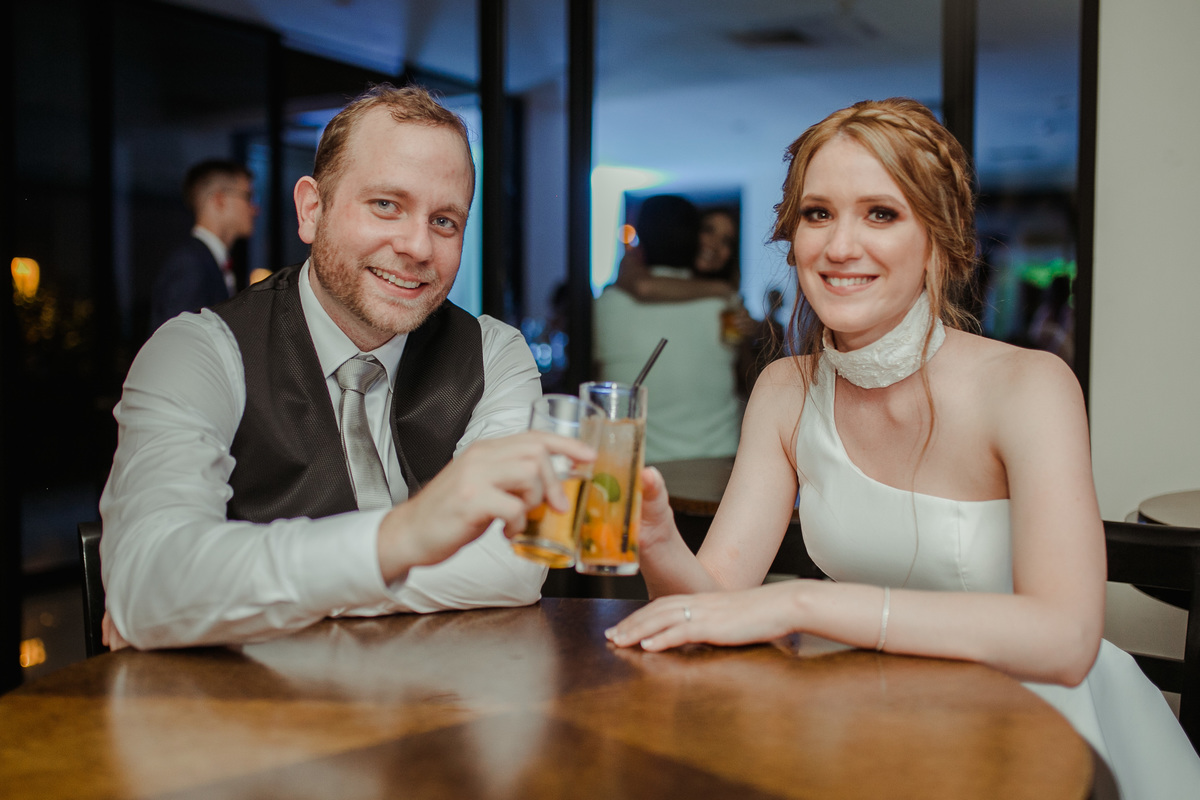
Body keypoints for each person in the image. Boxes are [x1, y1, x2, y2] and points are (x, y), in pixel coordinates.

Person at [607, 98, 1200, 798]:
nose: (839, 246)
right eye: (818, 213)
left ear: (939, 243)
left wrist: (802, 606)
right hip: (863, 720)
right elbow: (710, 609)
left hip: (1032, 731)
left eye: (881, 214)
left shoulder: (1031, 387)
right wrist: (656, 538)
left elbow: (1066, 641)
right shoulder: (784, 389)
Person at [100, 84, 591, 650]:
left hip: (444, 693)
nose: (418, 247)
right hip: (254, 699)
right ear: (312, 210)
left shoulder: (495, 353)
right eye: (386, 204)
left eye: (444, 221)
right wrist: (401, 539)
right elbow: (150, 582)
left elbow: (512, 567)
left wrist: (219, 598)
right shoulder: (196, 352)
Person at [593, 195, 741, 463]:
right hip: (719, 461)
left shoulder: (606, 304)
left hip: (638, 465)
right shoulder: (724, 307)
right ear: (694, 240)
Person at [149, 159, 258, 332]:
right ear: (220, 200)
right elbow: (179, 340)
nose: (255, 209)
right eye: (248, 196)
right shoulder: (190, 265)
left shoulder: (203, 260)